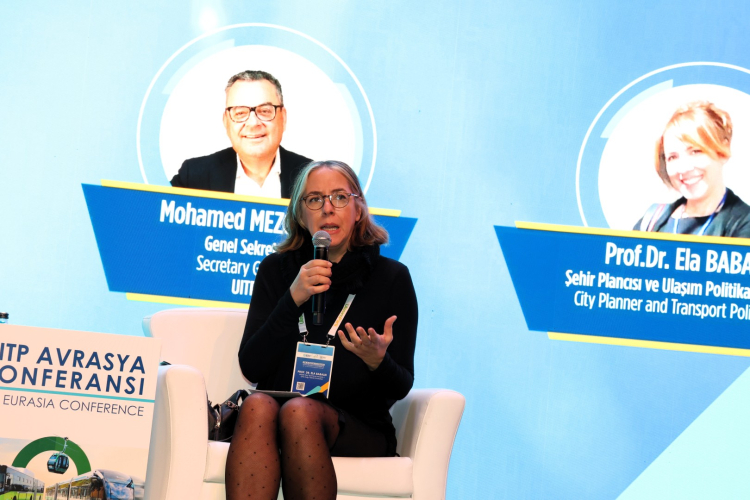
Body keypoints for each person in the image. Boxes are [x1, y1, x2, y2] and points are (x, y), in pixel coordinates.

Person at [226, 161, 418, 499]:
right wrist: (292, 299)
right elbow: (251, 367)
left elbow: (401, 385)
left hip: (357, 425)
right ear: (301, 215)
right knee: (257, 405)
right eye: (314, 199)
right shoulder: (276, 271)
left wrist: (377, 360)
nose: (328, 208)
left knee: (299, 411)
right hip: (279, 413)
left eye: (340, 197)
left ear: (358, 209)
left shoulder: (391, 278)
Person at [170, 70, 312, 198]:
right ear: (226, 122)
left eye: (265, 111)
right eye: (240, 113)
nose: (253, 123)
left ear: (283, 118)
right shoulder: (193, 178)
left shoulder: (314, 177)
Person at [635, 101, 750, 236]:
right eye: (673, 157)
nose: (683, 168)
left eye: (695, 152)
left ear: (722, 152)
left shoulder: (743, 223)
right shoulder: (653, 219)